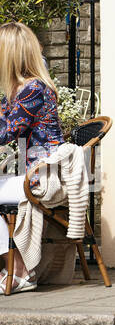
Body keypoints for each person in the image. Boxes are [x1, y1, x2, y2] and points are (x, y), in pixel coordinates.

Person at [0, 21, 63, 294]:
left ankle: (19, 271)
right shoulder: (18, 89)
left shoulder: (33, 90)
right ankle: (12, 268)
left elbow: (7, 132)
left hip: (44, 177)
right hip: (34, 172)